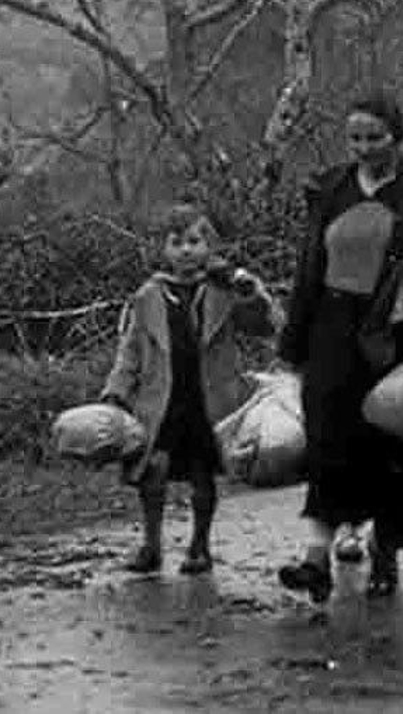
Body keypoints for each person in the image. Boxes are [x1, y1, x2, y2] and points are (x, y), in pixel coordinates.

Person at [276, 92, 403, 601]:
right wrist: (294, 341)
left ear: (397, 136)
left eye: (374, 138)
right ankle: (316, 560)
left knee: (393, 444)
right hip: (333, 329)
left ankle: (386, 552)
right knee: (328, 439)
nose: (364, 148)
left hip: (400, 331)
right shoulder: (331, 189)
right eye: (355, 138)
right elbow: (309, 266)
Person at [100, 201, 281, 575]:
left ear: (209, 247)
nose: (186, 250)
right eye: (177, 242)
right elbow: (131, 351)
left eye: (195, 241)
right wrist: (116, 393)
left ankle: (200, 545)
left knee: (202, 474)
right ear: (163, 249)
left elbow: (263, 325)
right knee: (153, 472)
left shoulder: (223, 292)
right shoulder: (148, 296)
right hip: (160, 400)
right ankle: (151, 544)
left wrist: (251, 293)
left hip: (208, 399)